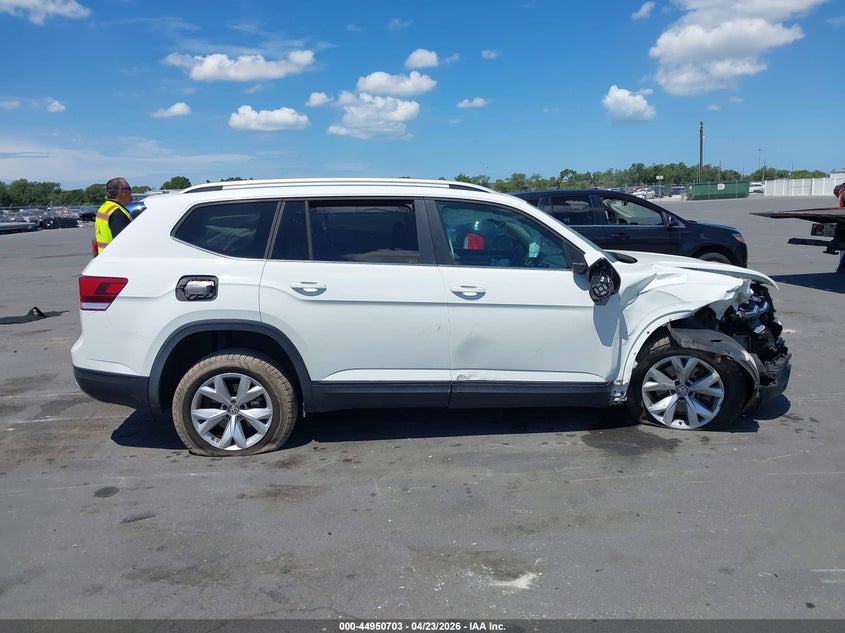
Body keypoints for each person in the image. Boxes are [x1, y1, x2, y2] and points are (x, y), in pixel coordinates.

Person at [94, 177, 133, 254]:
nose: (131, 192)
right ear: (122, 191)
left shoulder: (104, 208)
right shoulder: (117, 214)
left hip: (105, 257)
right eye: (129, 188)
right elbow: (124, 244)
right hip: (116, 258)